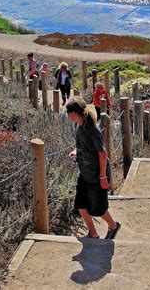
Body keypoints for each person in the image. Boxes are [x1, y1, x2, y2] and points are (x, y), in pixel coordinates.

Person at [66, 97, 121, 239]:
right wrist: (76, 151)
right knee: (80, 204)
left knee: (99, 209)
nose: (67, 115)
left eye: (68, 112)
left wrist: (103, 177)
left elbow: (102, 153)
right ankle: (93, 233)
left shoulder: (92, 130)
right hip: (84, 173)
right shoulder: (78, 126)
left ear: (74, 113)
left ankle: (114, 226)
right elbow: (82, 146)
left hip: (97, 174)